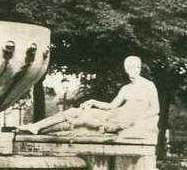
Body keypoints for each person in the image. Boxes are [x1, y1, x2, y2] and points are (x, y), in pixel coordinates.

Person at [18, 56, 159, 139]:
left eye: (135, 67)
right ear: (126, 69)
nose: (132, 70)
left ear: (140, 68)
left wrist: (132, 123)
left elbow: (155, 109)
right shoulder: (126, 88)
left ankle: (37, 128)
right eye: (129, 68)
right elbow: (111, 106)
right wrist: (93, 101)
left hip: (122, 120)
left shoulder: (148, 85)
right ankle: (36, 127)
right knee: (73, 111)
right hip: (113, 114)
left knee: (81, 119)